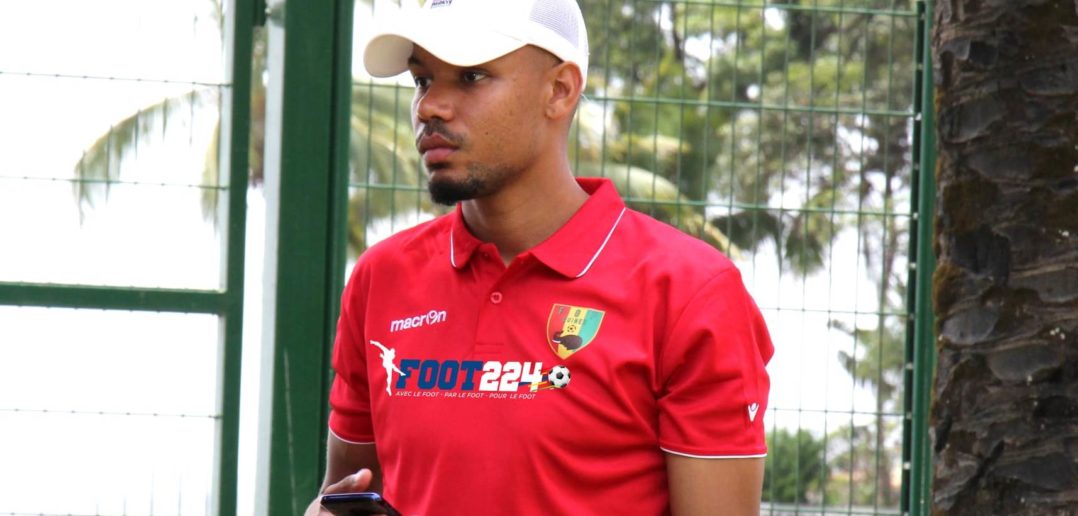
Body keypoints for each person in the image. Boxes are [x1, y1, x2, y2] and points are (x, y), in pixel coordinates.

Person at [306, 0, 773, 514]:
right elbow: (342, 495)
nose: (429, 107)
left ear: (560, 90)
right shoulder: (383, 277)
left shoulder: (689, 292)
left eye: (471, 76)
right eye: (422, 80)